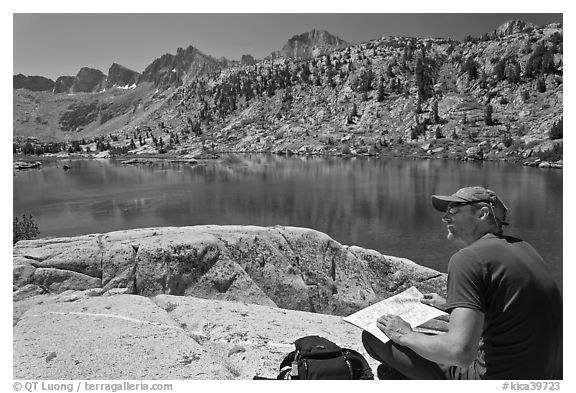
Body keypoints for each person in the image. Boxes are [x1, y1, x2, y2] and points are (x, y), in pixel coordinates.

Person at [362, 186, 562, 380]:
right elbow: (512, 311)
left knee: (374, 337)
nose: (445, 217)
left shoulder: (468, 259)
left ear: (482, 214)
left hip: (499, 377)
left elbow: (459, 353)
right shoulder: (524, 248)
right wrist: (452, 304)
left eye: (453, 210)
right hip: (549, 375)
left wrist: (405, 334)